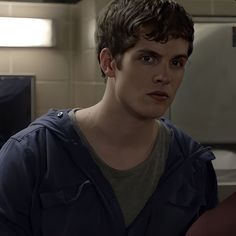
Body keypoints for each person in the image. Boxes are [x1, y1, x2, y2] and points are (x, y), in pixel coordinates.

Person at [0, 0, 218, 235]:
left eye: (176, 62)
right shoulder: (32, 155)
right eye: (148, 58)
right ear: (109, 63)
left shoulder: (192, 165)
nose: (164, 76)